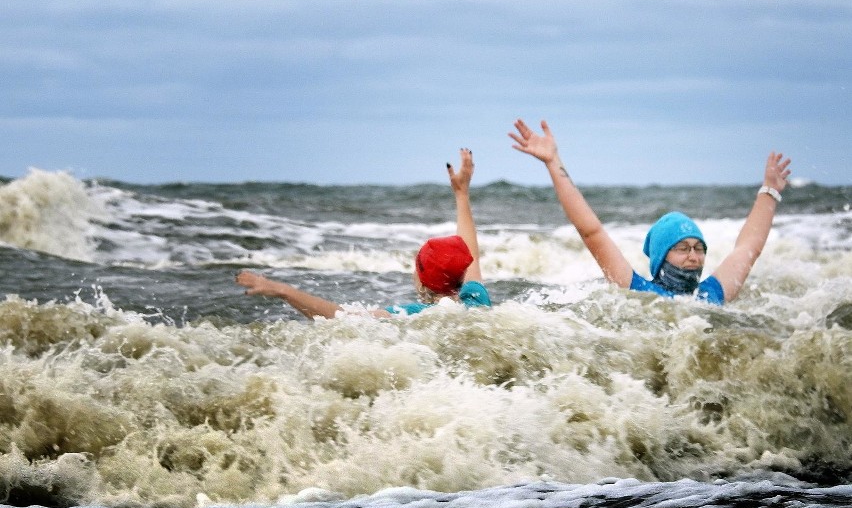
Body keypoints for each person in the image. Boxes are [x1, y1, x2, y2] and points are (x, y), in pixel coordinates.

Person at [509, 119, 791, 304]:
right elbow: (591, 231)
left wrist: (770, 191)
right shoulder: (638, 292)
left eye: (698, 248)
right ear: (661, 256)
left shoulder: (712, 294)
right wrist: (553, 163)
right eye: (681, 248)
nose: (693, 256)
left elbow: (748, 249)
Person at [235, 148, 491, 318]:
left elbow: (341, 318)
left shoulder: (411, 315)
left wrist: (284, 291)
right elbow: (473, 257)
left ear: (422, 279)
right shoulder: (476, 301)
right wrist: (462, 194)